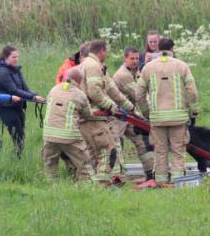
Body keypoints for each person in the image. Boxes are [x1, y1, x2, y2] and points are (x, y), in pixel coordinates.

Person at [134, 37, 199, 186]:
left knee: (160, 151)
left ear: (158, 49)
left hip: (157, 119)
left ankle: (161, 182)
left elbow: (138, 94)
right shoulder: (182, 66)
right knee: (178, 151)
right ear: (172, 49)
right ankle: (177, 182)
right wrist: (193, 112)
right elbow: (193, 93)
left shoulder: (148, 67)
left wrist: (146, 113)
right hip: (179, 119)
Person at [78, 39, 136, 185]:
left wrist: (131, 109)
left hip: (85, 118)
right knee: (108, 152)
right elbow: (94, 92)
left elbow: (113, 91)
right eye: (107, 51)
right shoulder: (93, 66)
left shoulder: (89, 65)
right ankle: (103, 185)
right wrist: (111, 106)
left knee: (94, 155)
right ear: (102, 51)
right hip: (95, 118)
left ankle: (93, 186)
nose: (107, 54)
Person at [41, 67, 94, 181]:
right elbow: (88, 115)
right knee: (84, 163)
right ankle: (87, 188)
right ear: (79, 80)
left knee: (50, 164)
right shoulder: (80, 94)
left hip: (49, 134)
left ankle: (52, 186)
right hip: (69, 136)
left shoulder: (54, 89)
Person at [111, 46, 155, 180]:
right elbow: (138, 95)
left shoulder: (135, 72)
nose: (135, 61)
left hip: (128, 115)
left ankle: (150, 173)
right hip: (116, 116)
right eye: (132, 58)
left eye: (137, 58)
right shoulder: (123, 75)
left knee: (141, 141)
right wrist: (147, 117)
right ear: (125, 59)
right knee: (115, 145)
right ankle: (116, 178)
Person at [0, 45, 45, 156]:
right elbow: (13, 90)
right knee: (18, 138)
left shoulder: (16, 70)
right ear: (6, 57)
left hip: (18, 107)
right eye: (13, 57)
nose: (16, 59)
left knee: (21, 137)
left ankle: (18, 158)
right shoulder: (2, 72)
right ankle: (16, 160)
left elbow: (24, 88)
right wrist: (33, 98)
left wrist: (36, 96)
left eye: (17, 57)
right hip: (7, 108)